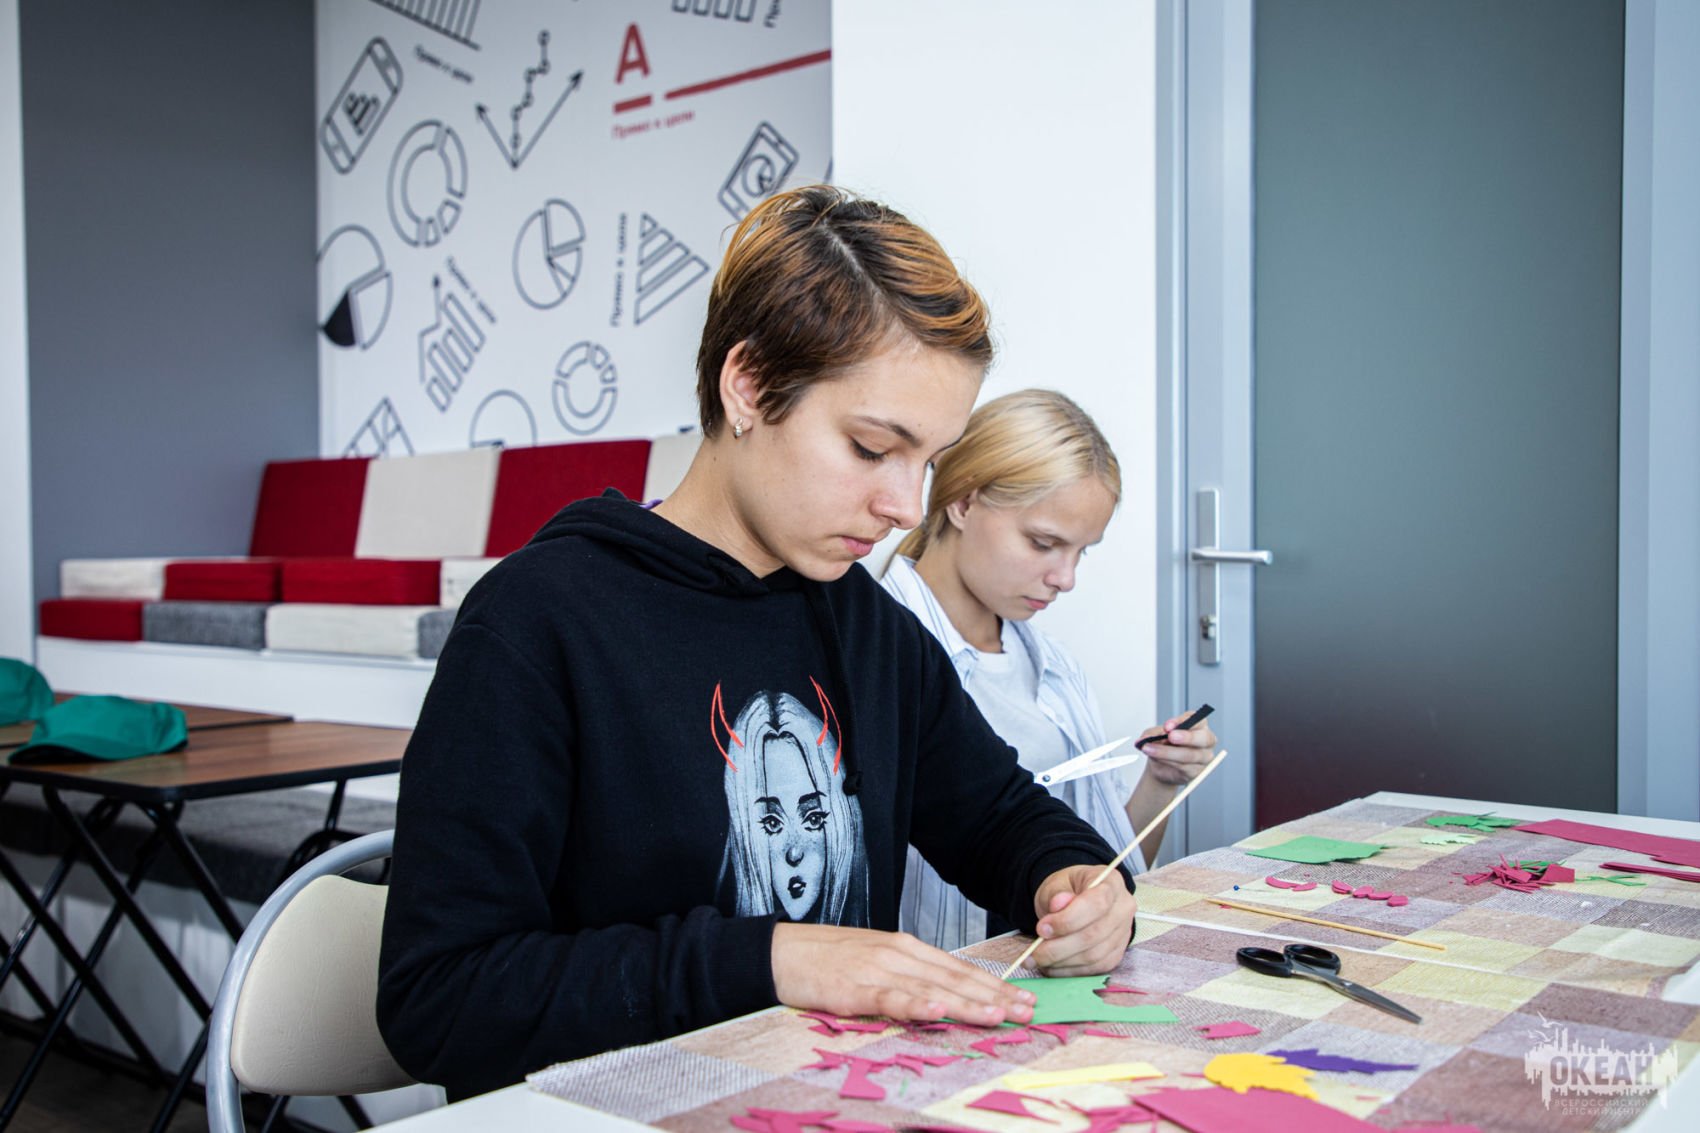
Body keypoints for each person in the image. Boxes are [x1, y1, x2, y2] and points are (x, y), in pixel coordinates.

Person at [377, 186, 1140, 1100]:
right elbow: (440, 999)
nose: (906, 506)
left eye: (929, 461)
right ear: (747, 384)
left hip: (825, 1102)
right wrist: (771, 960)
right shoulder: (538, 623)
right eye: (871, 448)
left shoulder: (866, 624)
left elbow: (999, 815)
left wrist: (1074, 878)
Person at [880, 390, 1218, 952]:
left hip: (1045, 970)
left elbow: (1104, 878)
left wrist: (1161, 781)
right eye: (1043, 543)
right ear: (962, 503)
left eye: (1082, 551)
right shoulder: (873, 657)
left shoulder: (1057, 671)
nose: (1066, 578)